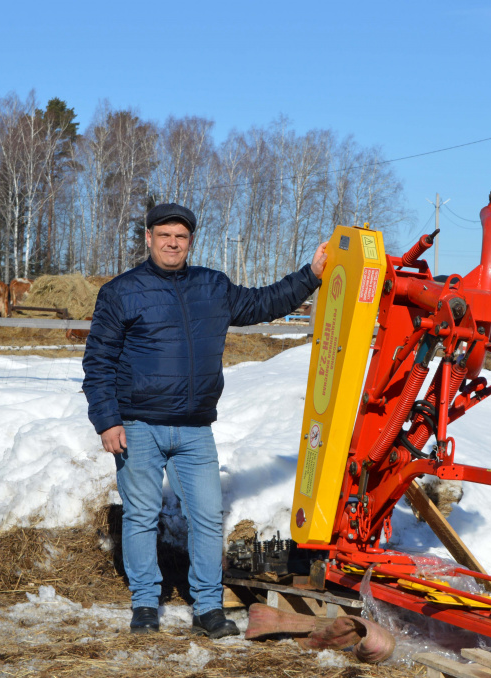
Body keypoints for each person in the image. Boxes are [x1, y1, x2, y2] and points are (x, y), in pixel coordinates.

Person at [83, 203, 328, 638]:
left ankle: (208, 607)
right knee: (141, 515)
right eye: (164, 235)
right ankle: (144, 603)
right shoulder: (121, 291)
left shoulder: (212, 286)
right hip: (139, 425)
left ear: (190, 241)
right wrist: (107, 421)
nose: (172, 243)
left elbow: (263, 303)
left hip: (196, 428)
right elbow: (98, 361)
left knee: (207, 517)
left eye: (180, 236)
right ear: (148, 238)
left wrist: (310, 275)